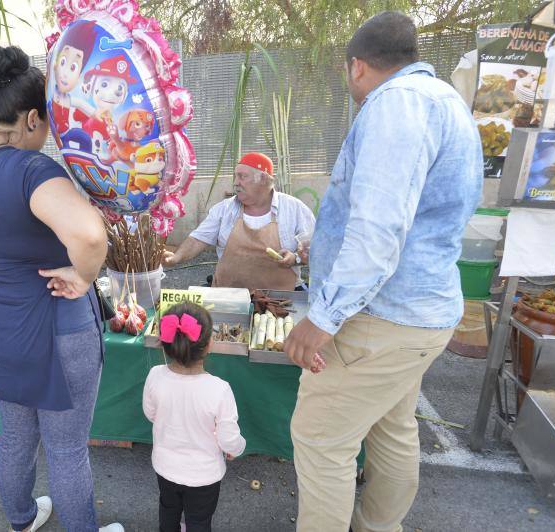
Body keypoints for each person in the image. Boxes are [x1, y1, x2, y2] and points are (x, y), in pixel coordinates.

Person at [283, 12, 482, 532]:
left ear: (357, 67)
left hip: (379, 318)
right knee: (392, 427)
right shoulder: (447, 101)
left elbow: (378, 229)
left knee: (320, 438)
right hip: (421, 314)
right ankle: (379, 525)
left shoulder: (397, 104)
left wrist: (323, 317)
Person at [0, 45, 122, 532]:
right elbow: (89, 236)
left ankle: (21, 519)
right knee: (64, 446)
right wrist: (83, 276)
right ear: (35, 118)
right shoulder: (33, 169)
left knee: (16, 437)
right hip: (57, 327)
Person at [143, 302, 246, 532]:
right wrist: (237, 447)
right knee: (199, 521)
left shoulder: (155, 376)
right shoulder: (219, 389)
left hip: (165, 467)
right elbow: (229, 440)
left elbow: (150, 413)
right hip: (204, 476)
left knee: (168, 511)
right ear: (209, 344)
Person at [163, 153, 315, 290]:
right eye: (235, 176)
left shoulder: (294, 209)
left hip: (281, 298)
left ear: (263, 178)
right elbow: (198, 239)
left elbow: (315, 249)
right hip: (230, 296)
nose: (236, 182)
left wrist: (295, 258)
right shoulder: (224, 209)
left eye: (242, 177)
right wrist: (176, 257)